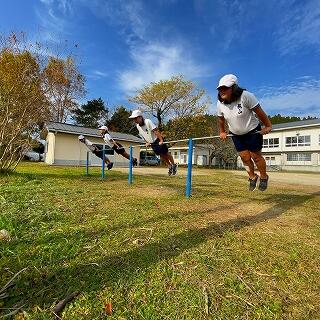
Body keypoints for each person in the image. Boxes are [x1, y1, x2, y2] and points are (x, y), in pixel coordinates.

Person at [216, 74, 272, 191]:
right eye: (220, 89)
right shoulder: (220, 103)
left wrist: (268, 125)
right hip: (236, 134)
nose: (222, 91)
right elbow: (221, 119)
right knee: (244, 157)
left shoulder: (246, 96)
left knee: (255, 157)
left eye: (225, 88)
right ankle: (252, 177)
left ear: (234, 88)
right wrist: (222, 131)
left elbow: (259, 112)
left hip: (252, 131)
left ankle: (263, 176)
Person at [129, 110, 177, 176]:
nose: (134, 120)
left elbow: (155, 131)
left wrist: (161, 140)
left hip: (157, 140)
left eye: (135, 118)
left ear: (140, 117)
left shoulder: (148, 121)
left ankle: (174, 165)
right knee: (161, 155)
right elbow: (143, 135)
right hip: (152, 143)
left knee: (166, 153)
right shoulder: (137, 126)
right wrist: (147, 142)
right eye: (133, 119)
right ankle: (169, 166)